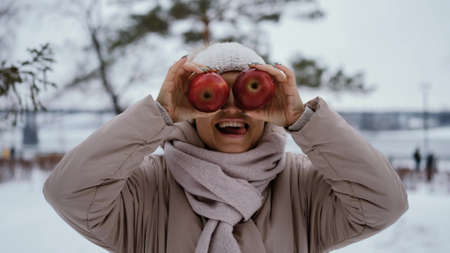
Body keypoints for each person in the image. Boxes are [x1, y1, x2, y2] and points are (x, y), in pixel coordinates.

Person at [43, 42, 408, 253]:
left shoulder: (300, 185)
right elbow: (69, 193)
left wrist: (302, 119)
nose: (232, 107)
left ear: (268, 110)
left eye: (249, 94)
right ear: (192, 107)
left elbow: (384, 204)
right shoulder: (149, 187)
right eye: (213, 96)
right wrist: (158, 115)